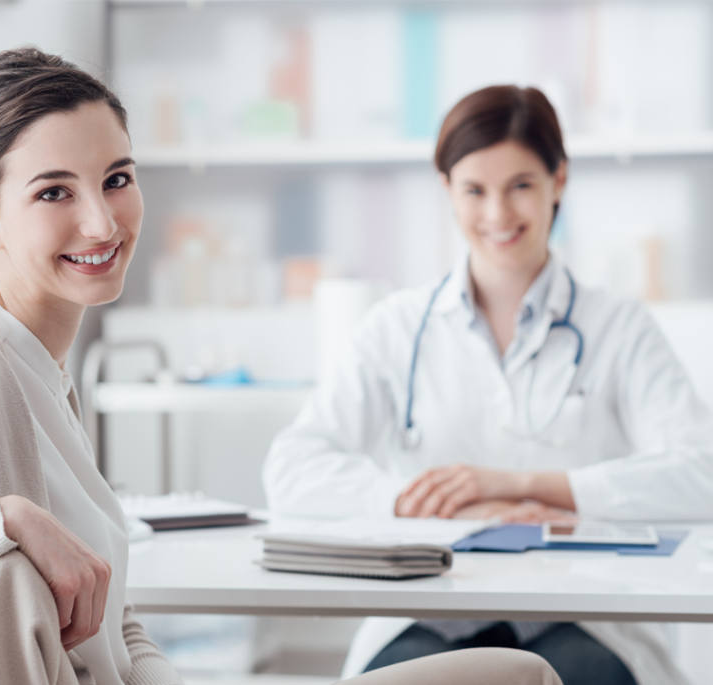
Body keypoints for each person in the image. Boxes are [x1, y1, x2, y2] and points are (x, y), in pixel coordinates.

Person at [0, 51, 561, 685]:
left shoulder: (43, 368)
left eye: (116, 179)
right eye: (54, 192)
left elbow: (112, 622)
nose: (102, 219)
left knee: (520, 674)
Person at [263, 85, 713, 685]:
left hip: (582, 616)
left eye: (521, 185)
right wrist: (421, 500)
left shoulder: (619, 326)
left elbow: (701, 471)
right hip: (432, 610)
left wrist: (531, 486)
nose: (498, 214)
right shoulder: (397, 327)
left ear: (560, 181)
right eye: (475, 190)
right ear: (447, 191)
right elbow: (291, 470)